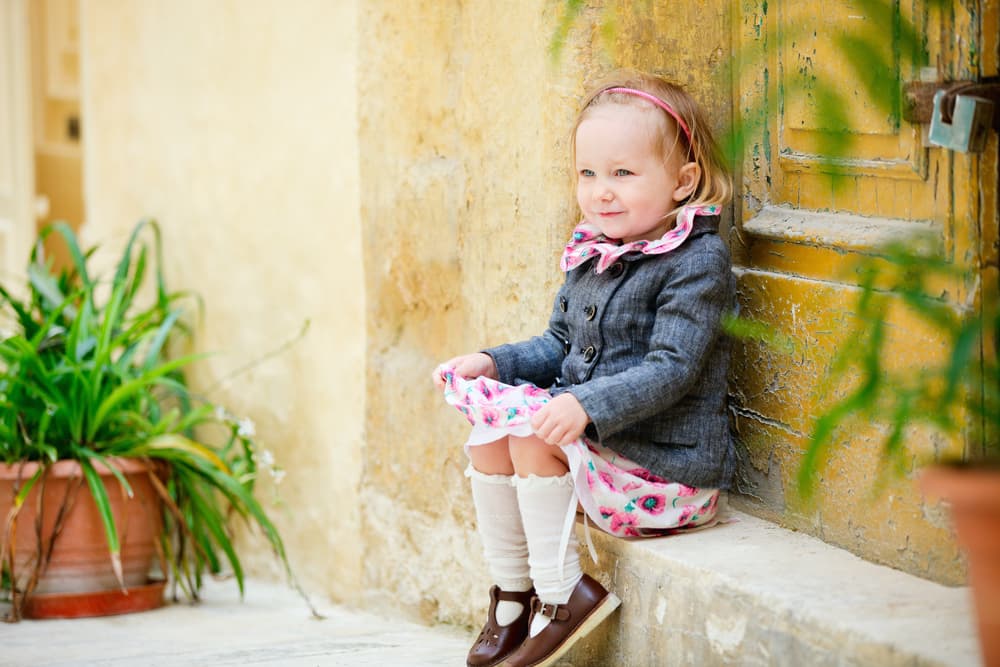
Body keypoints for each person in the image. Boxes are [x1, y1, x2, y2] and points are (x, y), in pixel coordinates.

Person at [432, 70, 736, 667]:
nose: (602, 192)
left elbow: (673, 367)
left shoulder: (697, 261)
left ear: (683, 181)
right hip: (604, 447)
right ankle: (512, 594)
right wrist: (493, 363)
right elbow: (558, 343)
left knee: (532, 440)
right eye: (588, 174)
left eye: (623, 173)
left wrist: (586, 404)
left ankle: (562, 594)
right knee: (488, 436)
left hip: (664, 467)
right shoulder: (592, 251)